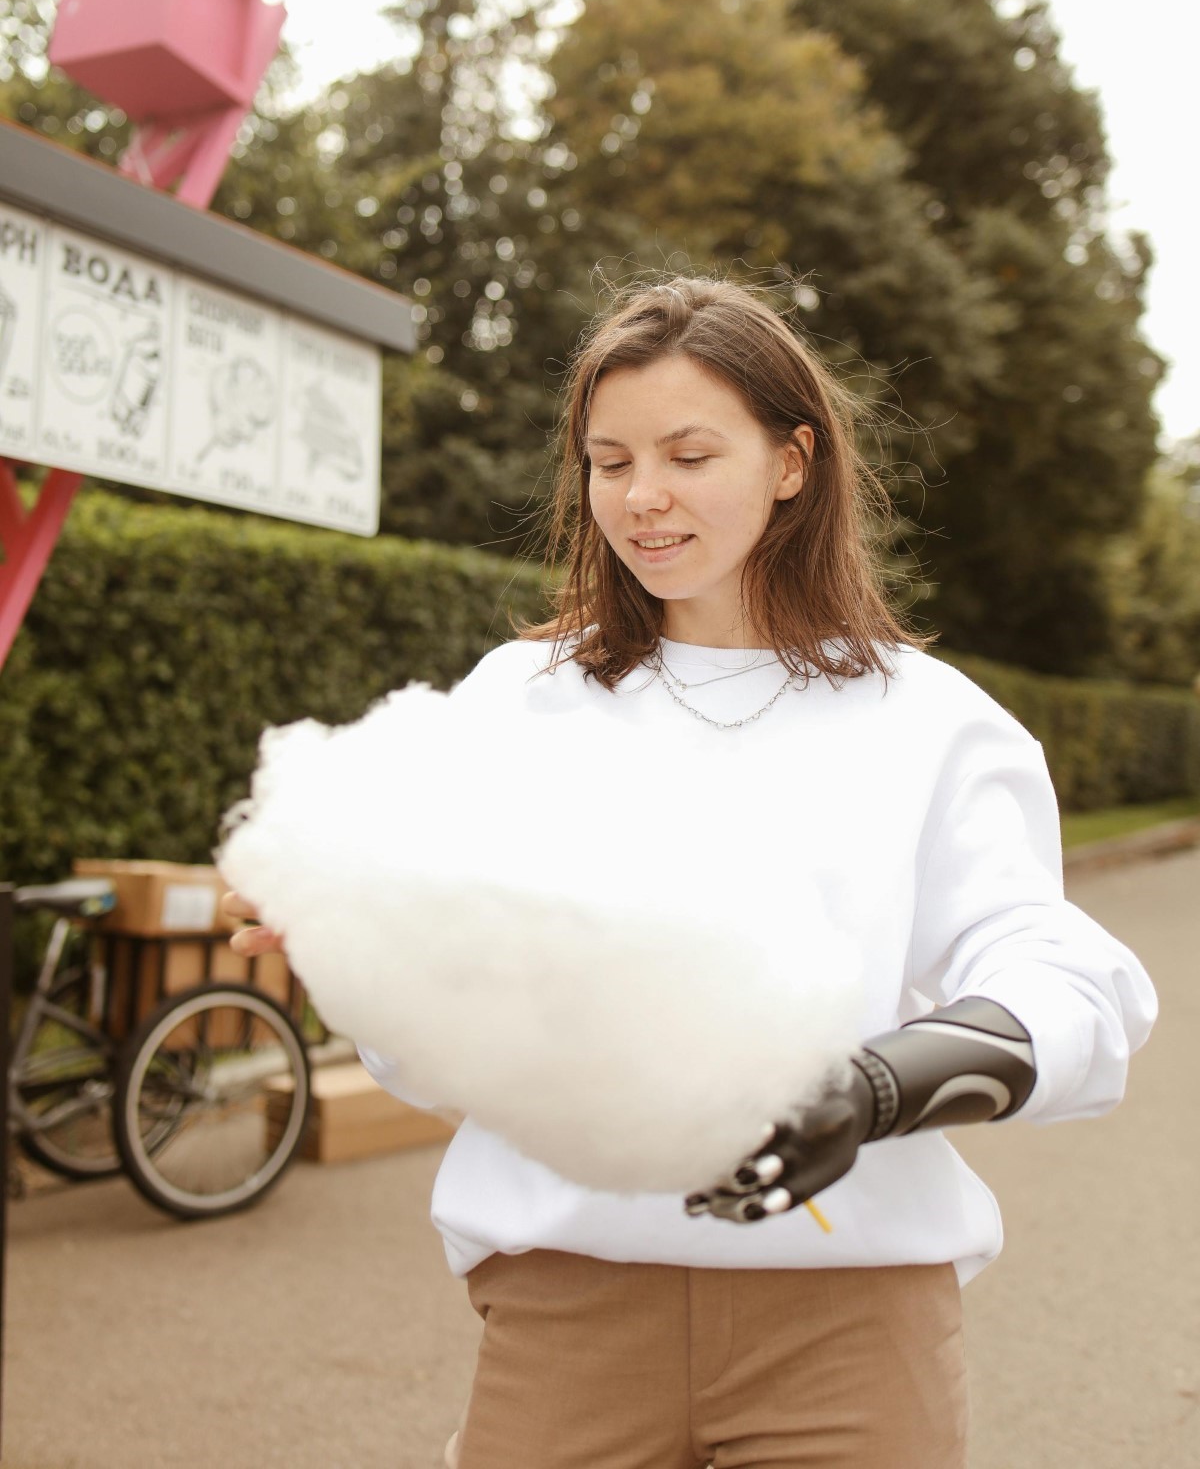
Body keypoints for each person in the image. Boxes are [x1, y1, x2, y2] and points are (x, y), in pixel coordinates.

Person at [225, 275, 1156, 1469]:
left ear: (791, 461)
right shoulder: (519, 701)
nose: (642, 498)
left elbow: (1074, 993)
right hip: (567, 1310)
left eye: (688, 452)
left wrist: (875, 1087)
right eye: (610, 462)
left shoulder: (932, 725)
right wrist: (357, 949)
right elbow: (442, 1060)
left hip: (848, 1332)